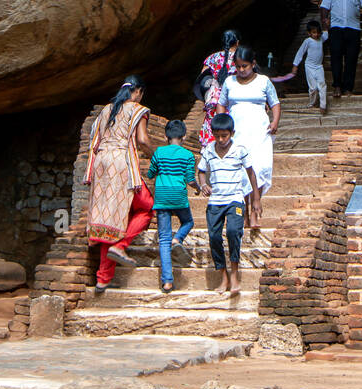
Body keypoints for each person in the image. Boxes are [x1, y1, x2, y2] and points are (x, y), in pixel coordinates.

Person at [84, 74, 153, 292]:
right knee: (147, 207)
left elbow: (94, 137)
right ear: (139, 91)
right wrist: (157, 156)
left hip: (101, 163)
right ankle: (120, 245)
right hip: (121, 163)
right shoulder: (137, 109)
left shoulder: (107, 109)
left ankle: (103, 278)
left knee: (110, 218)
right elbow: (142, 140)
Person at [198, 112, 260, 295]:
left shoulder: (240, 149)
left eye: (224, 135)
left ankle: (234, 274)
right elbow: (201, 171)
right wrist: (203, 185)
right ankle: (222, 275)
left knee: (233, 232)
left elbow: (251, 173)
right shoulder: (209, 149)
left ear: (232, 133)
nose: (221, 139)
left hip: (235, 199)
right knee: (214, 236)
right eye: (217, 136)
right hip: (215, 200)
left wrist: (256, 199)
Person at [219, 44, 280, 228]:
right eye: (238, 66)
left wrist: (275, 121)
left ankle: (255, 210)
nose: (241, 70)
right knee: (241, 173)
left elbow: (275, 103)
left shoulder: (263, 81)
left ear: (253, 64)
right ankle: (244, 211)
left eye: (244, 66)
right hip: (237, 133)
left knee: (259, 169)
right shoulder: (230, 82)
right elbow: (221, 104)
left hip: (260, 132)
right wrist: (222, 124)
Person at [147, 119, 200, 294]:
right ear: (184, 136)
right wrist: (198, 188)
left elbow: (150, 173)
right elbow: (190, 179)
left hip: (162, 197)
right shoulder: (187, 155)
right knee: (188, 222)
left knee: (163, 239)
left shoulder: (159, 152)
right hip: (179, 196)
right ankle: (177, 239)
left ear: (165, 136)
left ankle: (167, 282)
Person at [197, 29, 240, 149]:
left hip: (214, 99)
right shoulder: (241, 59)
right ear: (237, 42)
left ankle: (209, 147)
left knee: (213, 122)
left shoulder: (212, 58)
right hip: (232, 98)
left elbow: (203, 81)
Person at [291, 20, 329, 109]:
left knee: (322, 84)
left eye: (318, 32)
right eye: (314, 32)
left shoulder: (321, 39)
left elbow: (326, 35)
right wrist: (295, 65)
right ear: (309, 33)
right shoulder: (307, 41)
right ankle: (312, 103)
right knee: (313, 87)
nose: (316, 34)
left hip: (319, 67)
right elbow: (300, 53)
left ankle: (323, 106)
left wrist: (326, 25)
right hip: (309, 67)